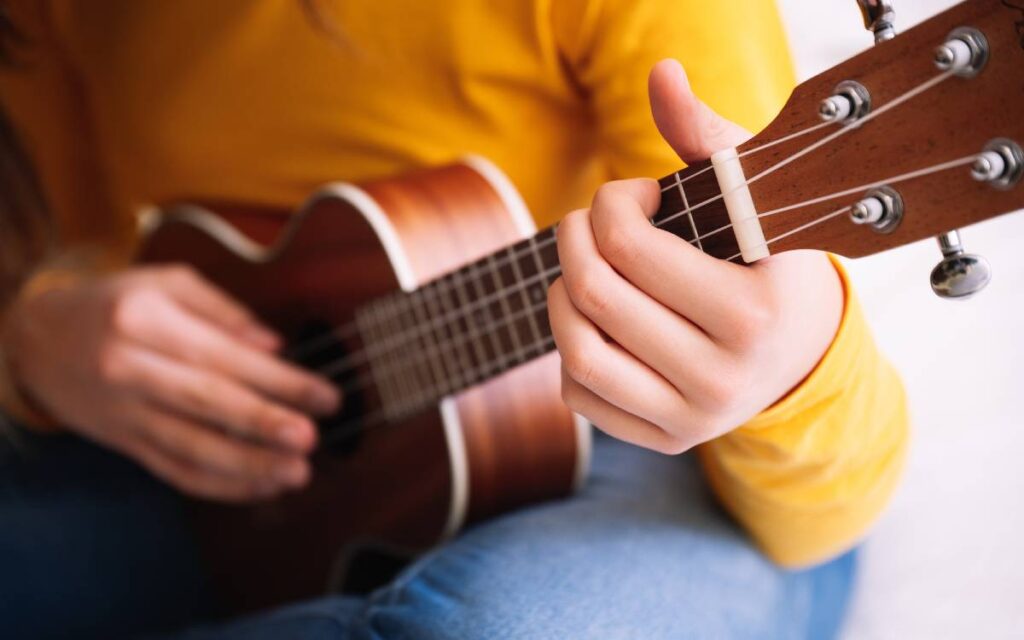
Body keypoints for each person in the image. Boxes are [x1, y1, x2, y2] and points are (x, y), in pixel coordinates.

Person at [0, 1, 908, 638]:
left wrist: (794, 366)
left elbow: (820, 517)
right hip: (230, 471)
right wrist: (34, 338)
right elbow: (68, 257)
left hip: (637, 439)